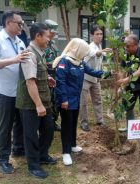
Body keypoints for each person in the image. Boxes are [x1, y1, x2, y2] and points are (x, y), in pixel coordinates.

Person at [0, 10, 27, 174]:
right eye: (19, 23)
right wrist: (13, 60)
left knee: (19, 123)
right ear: (9, 23)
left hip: (19, 92)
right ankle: (2, 160)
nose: (22, 26)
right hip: (2, 92)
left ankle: (18, 148)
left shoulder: (19, 42)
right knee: (4, 127)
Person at [53, 38, 107, 166]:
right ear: (77, 50)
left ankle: (72, 145)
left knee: (73, 123)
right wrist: (64, 100)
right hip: (66, 100)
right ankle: (66, 152)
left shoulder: (80, 62)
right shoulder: (64, 62)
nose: (85, 55)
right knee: (66, 125)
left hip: (76, 99)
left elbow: (92, 72)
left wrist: (107, 73)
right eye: (84, 52)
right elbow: (60, 82)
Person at [15, 22, 57, 179]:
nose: (49, 39)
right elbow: (30, 81)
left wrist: (47, 77)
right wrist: (38, 105)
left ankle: (42, 155)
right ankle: (33, 166)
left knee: (49, 129)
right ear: (38, 36)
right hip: (30, 104)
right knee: (31, 135)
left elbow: (37, 73)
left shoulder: (39, 52)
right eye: (47, 36)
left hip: (42, 101)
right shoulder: (29, 54)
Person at [116, 34, 140, 146]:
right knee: (128, 105)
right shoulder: (125, 53)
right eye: (124, 46)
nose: (125, 48)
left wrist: (125, 80)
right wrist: (121, 86)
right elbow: (123, 70)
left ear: (136, 45)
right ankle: (130, 129)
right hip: (131, 84)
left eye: (128, 46)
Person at [79, 25, 111, 131]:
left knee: (98, 100)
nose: (99, 36)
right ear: (92, 35)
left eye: (101, 34)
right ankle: (84, 122)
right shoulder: (90, 47)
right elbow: (95, 54)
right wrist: (102, 52)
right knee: (83, 102)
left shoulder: (100, 46)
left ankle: (100, 120)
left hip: (95, 79)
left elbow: (99, 62)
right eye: (97, 34)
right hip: (85, 78)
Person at [44, 19, 61, 132]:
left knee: (55, 101)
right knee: (46, 101)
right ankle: (45, 125)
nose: (54, 34)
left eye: (55, 32)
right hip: (45, 78)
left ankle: (53, 122)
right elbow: (39, 62)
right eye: (52, 32)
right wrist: (52, 64)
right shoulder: (41, 44)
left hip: (55, 77)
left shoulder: (53, 44)